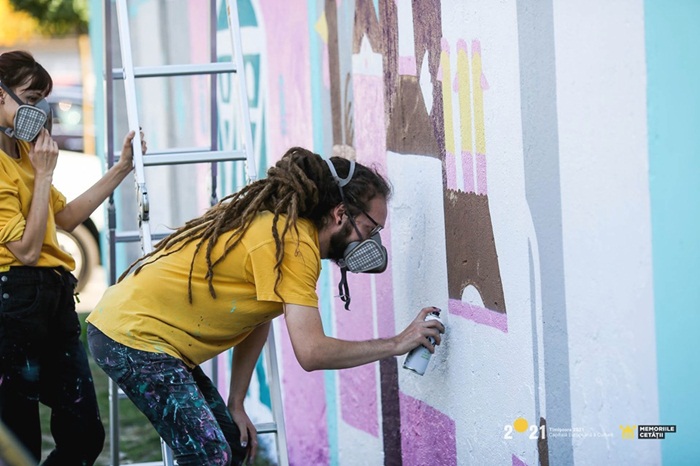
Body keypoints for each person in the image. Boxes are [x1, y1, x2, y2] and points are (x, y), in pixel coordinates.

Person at [86, 146, 445, 466]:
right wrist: (397, 343)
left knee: (231, 445)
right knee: (210, 456)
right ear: (340, 214)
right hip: (133, 337)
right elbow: (312, 353)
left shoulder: (284, 229)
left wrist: (237, 401)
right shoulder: (293, 245)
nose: (372, 242)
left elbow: (257, 316)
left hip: (145, 336)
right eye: (371, 228)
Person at [0, 50, 146, 465]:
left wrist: (121, 169)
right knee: (21, 440)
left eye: (43, 100)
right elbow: (27, 251)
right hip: (14, 299)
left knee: (84, 433)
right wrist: (45, 174)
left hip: (54, 296)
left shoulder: (24, 151)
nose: (40, 111)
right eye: (31, 98)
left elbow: (64, 217)